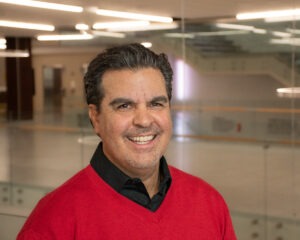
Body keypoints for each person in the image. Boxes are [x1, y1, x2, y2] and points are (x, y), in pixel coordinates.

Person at [17, 43, 237, 239]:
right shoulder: (52, 222)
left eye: (156, 104)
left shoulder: (208, 201)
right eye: (124, 106)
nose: (143, 120)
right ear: (95, 117)